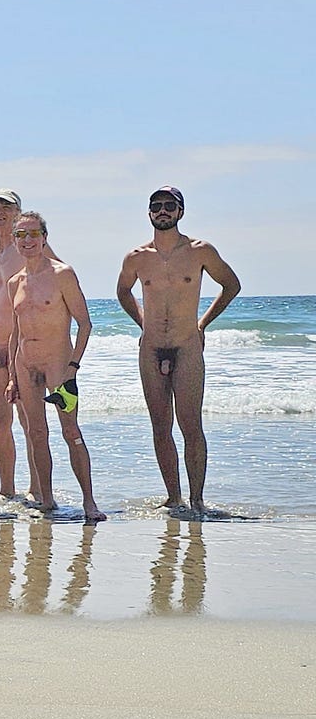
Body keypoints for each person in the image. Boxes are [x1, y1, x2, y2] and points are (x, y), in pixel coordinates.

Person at [115, 186, 241, 513]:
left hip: (186, 348)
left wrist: (202, 324)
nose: (162, 211)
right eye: (156, 206)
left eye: (169, 205)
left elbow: (231, 285)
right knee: (160, 427)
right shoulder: (137, 257)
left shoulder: (201, 251)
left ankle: (197, 500)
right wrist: (143, 322)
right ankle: (174, 498)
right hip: (151, 348)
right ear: (149, 213)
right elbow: (123, 292)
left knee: (191, 425)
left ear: (180, 211)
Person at [4, 211, 105, 521]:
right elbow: (15, 333)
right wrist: (11, 377)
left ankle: (89, 502)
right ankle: (47, 500)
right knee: (36, 433)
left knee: (70, 430)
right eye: (21, 235)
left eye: (34, 234)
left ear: (45, 237)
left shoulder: (62, 274)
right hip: (25, 365)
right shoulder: (14, 282)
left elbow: (85, 324)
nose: (28, 240)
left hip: (59, 367)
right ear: (15, 241)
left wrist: (73, 366)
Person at [0, 189, 26, 499]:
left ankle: (38, 488)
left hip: (20, 347)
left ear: (17, 212)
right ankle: (7, 490)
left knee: (28, 418)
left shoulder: (26, 246)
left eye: (5, 207)